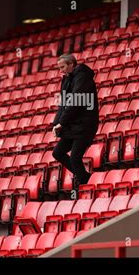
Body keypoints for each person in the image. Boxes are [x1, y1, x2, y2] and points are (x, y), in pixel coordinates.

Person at [52, 54, 99, 193]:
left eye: (63, 67)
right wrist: (56, 124)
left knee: (74, 158)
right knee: (58, 153)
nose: (61, 70)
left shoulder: (83, 76)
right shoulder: (66, 79)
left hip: (85, 125)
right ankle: (86, 178)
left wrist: (62, 123)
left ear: (72, 64)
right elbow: (63, 104)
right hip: (72, 126)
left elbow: (75, 102)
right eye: (59, 67)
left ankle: (86, 183)